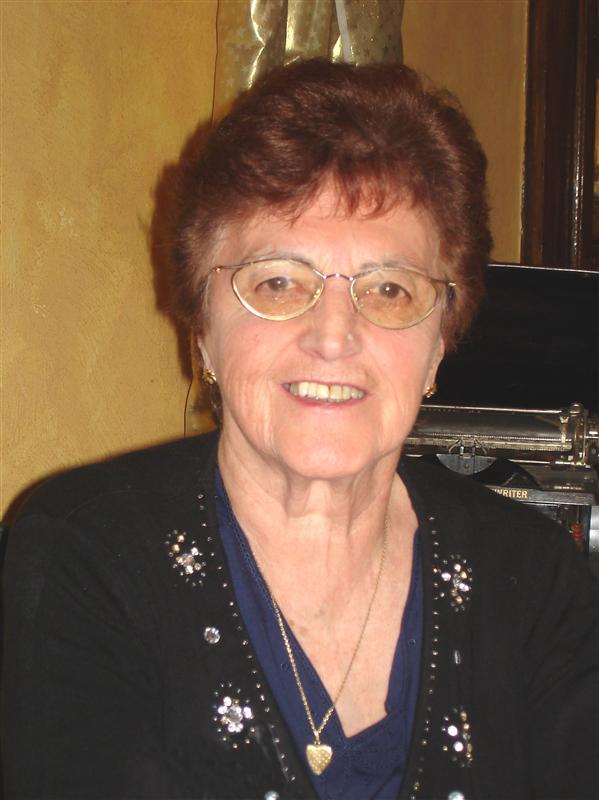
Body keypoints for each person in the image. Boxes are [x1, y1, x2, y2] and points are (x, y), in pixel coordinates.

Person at [2, 60, 597, 800]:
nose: (333, 336)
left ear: (439, 344)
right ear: (203, 331)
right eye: (279, 282)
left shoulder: (534, 579)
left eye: (389, 289)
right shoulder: (88, 556)